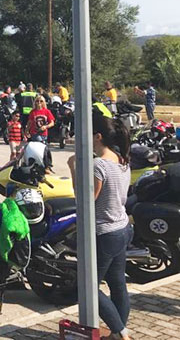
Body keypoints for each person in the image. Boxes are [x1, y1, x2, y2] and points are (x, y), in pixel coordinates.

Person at [67, 114, 133, 340]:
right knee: (118, 283)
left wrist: (73, 167)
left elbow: (84, 201)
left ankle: (120, 332)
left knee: (87, 288)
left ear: (97, 136)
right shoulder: (122, 160)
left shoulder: (99, 166)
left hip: (105, 233)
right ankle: (118, 332)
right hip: (122, 227)